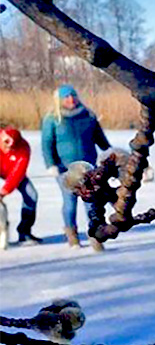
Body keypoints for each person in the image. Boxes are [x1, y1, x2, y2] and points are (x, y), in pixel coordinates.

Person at [40, 85, 111, 248]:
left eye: (73, 96)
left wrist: (110, 154)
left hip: (88, 168)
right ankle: (72, 235)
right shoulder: (53, 119)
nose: (71, 99)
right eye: (66, 97)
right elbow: (46, 144)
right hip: (65, 169)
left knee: (91, 203)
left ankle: (95, 236)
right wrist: (51, 165)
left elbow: (100, 139)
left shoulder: (88, 115)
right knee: (70, 202)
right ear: (59, 100)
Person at [1, 127, 42, 247]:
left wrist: (4, 191)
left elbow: (18, 172)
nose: (8, 149)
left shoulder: (23, 147)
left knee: (31, 195)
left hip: (11, 171)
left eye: (11, 147)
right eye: (5, 145)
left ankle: (24, 232)